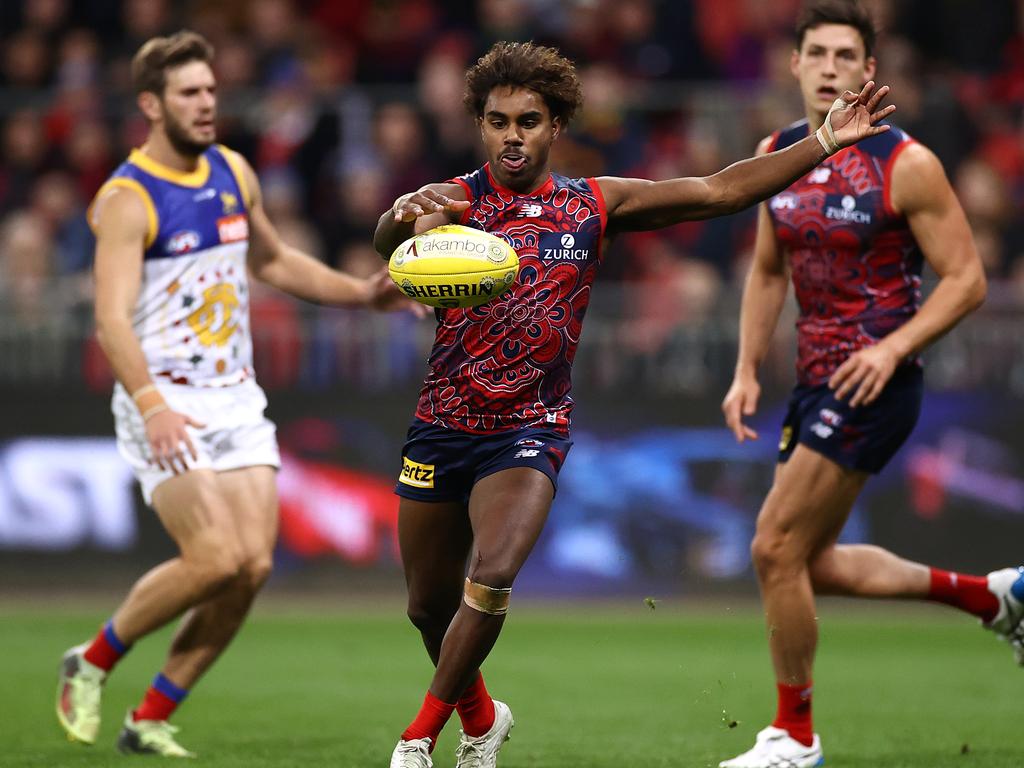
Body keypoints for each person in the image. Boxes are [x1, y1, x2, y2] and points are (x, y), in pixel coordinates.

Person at [373, 40, 895, 768]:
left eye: (529, 120)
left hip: (529, 429)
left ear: (557, 125)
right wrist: (401, 218)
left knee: (490, 576)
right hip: (441, 426)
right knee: (427, 608)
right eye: (497, 121)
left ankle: (417, 741)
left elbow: (720, 190)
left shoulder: (594, 203)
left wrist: (824, 140)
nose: (512, 135)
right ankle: (483, 719)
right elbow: (393, 248)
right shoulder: (454, 201)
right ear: (480, 125)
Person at [55, 30, 422, 758]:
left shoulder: (233, 172)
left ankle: (150, 717)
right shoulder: (127, 200)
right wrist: (154, 407)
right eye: (190, 93)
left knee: (252, 567)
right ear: (151, 105)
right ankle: (90, 661)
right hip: (167, 399)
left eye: (211, 91)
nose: (206, 104)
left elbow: (276, 259)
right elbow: (108, 320)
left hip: (236, 396)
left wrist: (360, 294)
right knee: (216, 557)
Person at [718, 3, 1022, 767]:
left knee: (773, 546)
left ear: (868, 71)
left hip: (873, 383)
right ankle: (993, 597)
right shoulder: (775, 152)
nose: (828, 67)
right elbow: (765, 270)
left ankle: (794, 736)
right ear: (793, 65)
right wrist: (747, 366)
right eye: (815, 53)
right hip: (815, 382)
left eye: (844, 55)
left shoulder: (906, 163)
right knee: (805, 560)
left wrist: (893, 350)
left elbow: (968, 280)